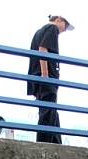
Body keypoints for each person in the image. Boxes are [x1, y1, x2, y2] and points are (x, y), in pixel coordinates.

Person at [27, 14, 74, 144]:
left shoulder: (39, 32)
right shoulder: (52, 28)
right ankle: (44, 144)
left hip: (36, 77)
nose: (63, 31)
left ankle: (56, 143)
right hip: (45, 77)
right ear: (59, 20)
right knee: (47, 111)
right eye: (65, 26)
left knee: (51, 112)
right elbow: (43, 49)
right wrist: (45, 75)